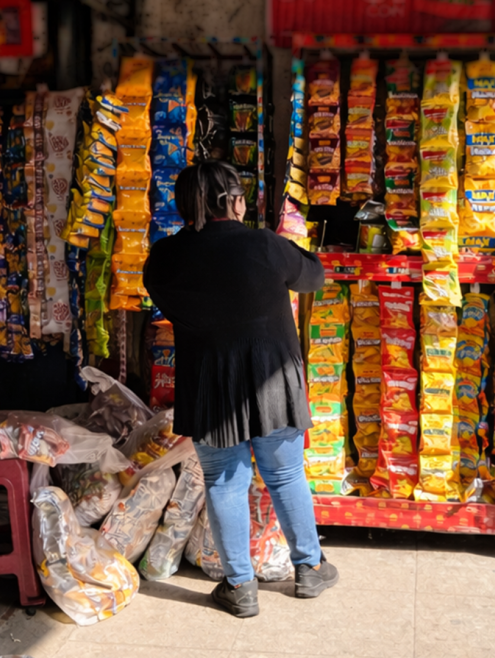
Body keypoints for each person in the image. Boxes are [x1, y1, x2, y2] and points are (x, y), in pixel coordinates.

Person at [144, 160, 338, 618]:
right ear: (232, 200)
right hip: (273, 376)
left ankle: (239, 586)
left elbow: (166, 297)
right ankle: (309, 568)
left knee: (224, 481)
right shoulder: (263, 245)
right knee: (285, 473)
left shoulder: (166, 257)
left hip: (210, 382)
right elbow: (313, 275)